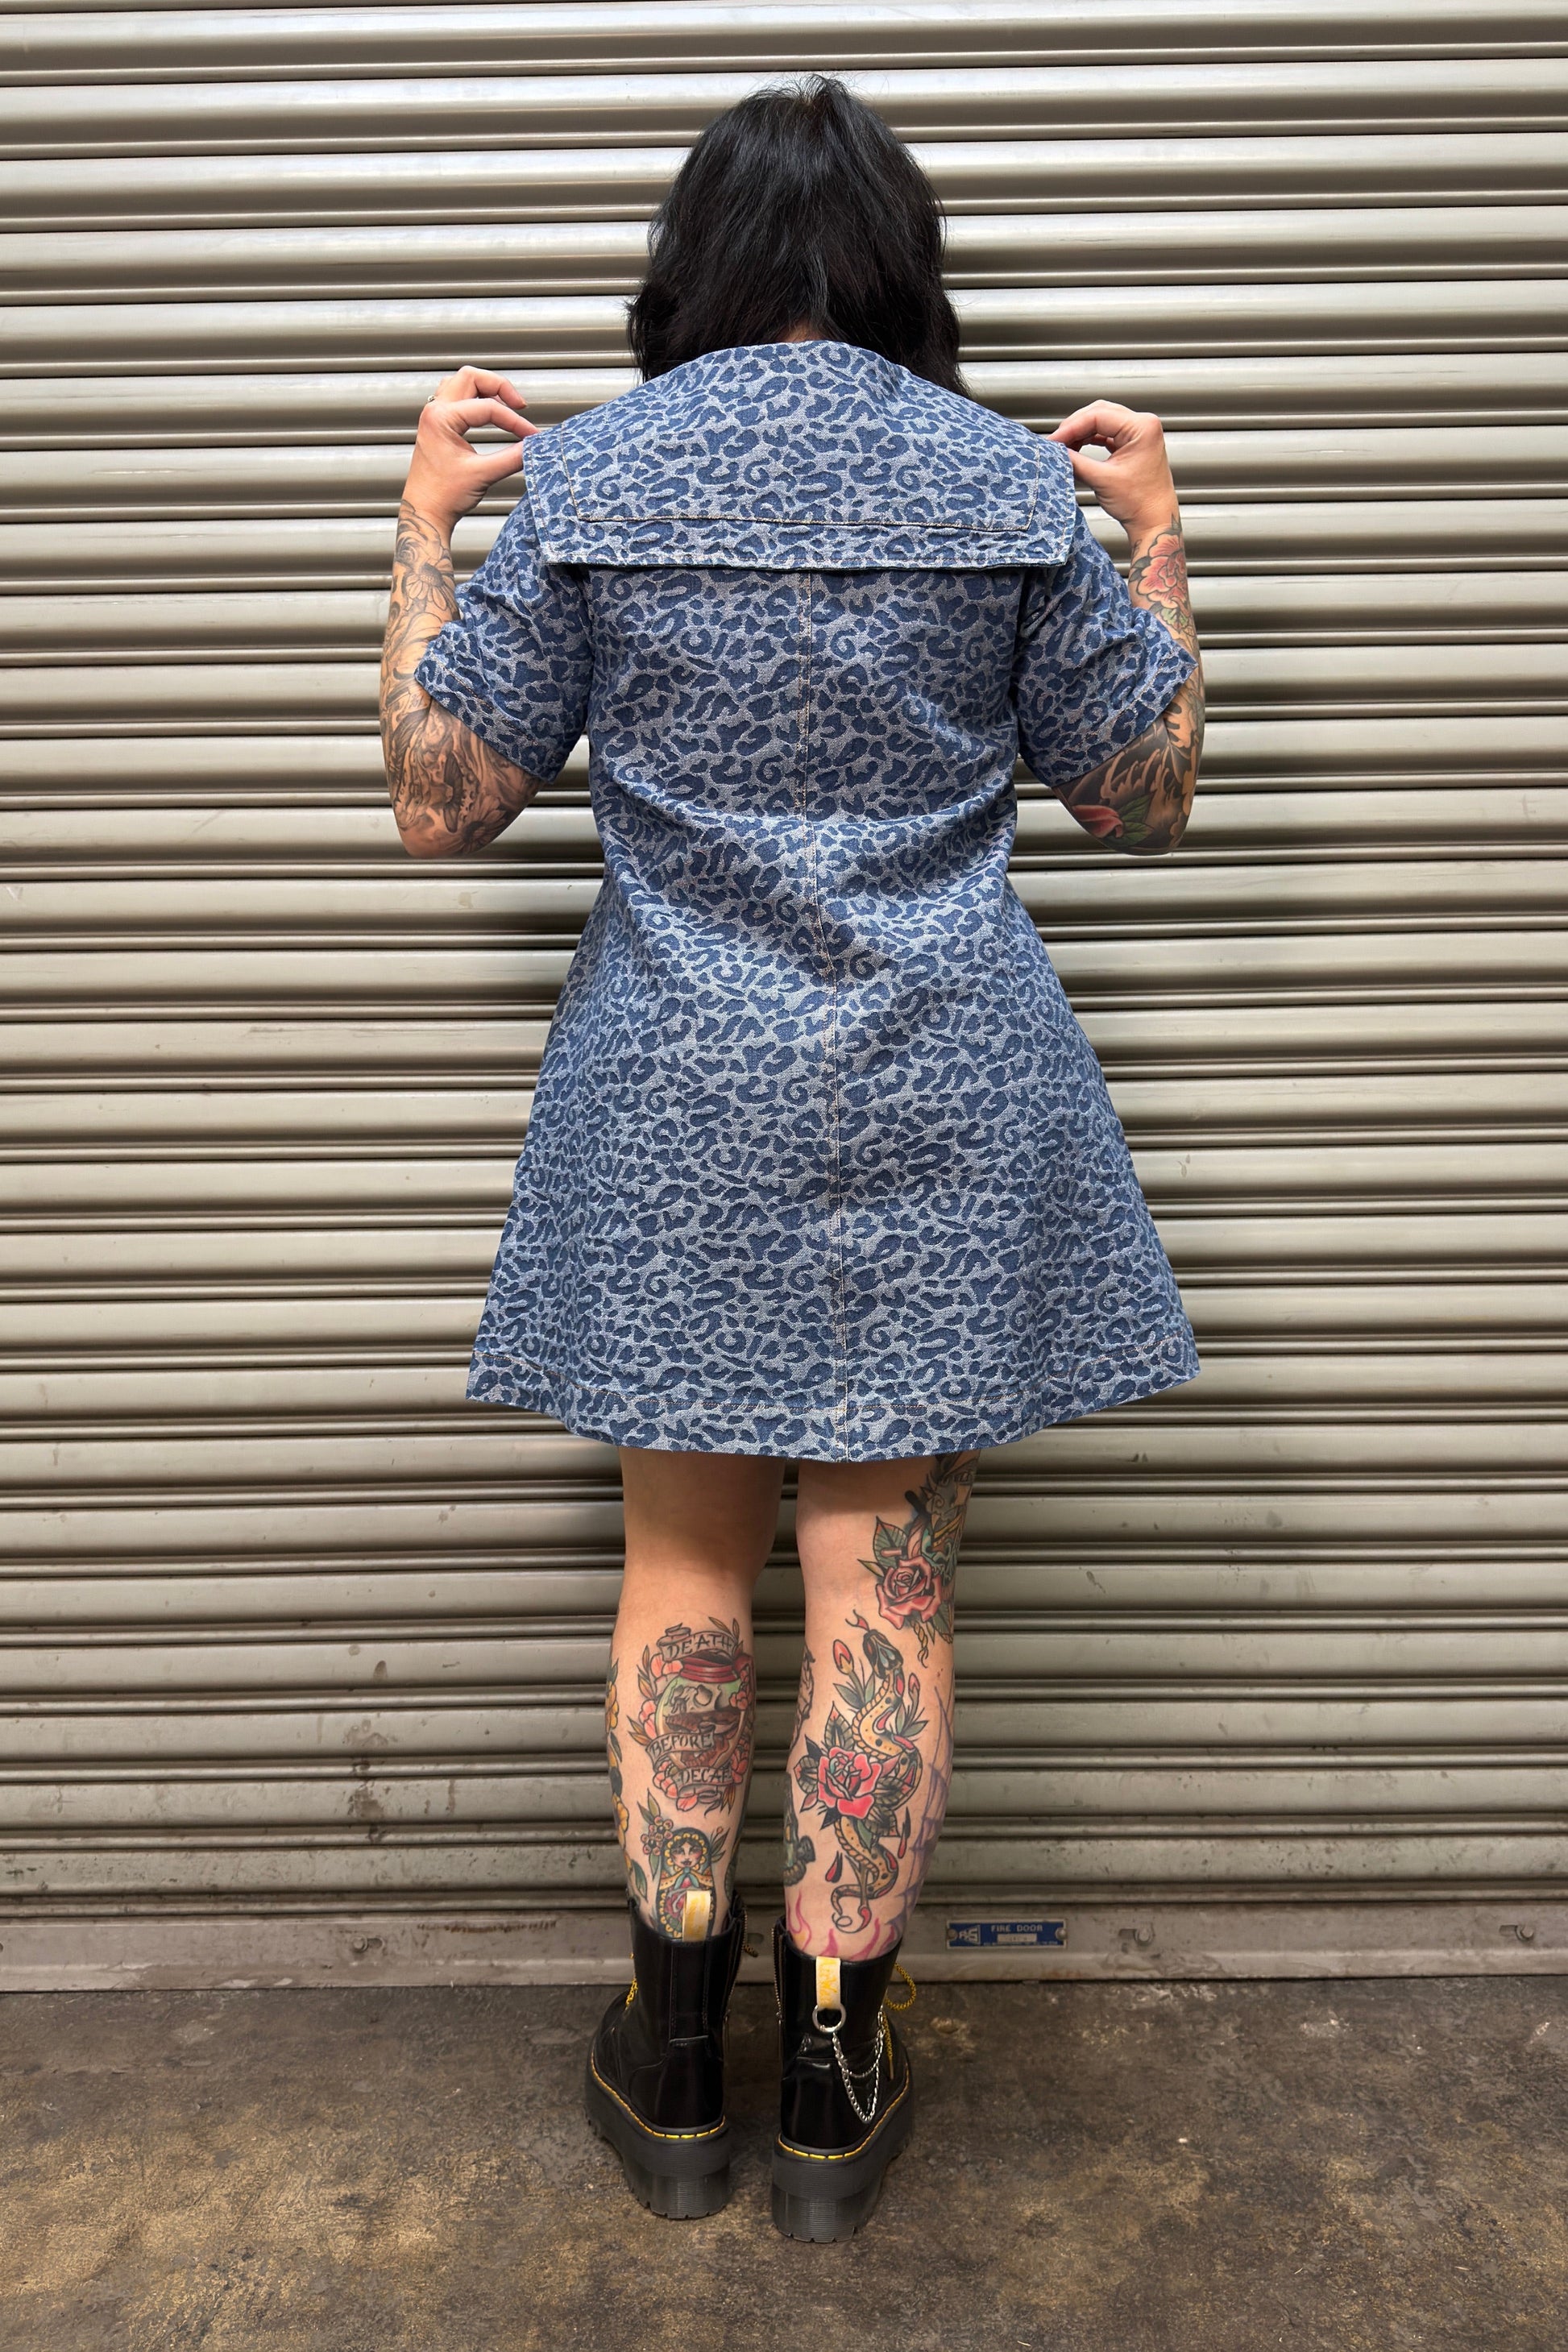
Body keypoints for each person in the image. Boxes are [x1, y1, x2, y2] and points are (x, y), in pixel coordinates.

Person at [379, 76, 1203, 2242]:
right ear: (903, 270)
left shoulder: (595, 479)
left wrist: (422, 531)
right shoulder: (996, 485)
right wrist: (1157, 537)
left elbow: (446, 799)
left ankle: (669, 2066)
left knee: (681, 1572)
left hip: (676, 1093)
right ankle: (833, 2084)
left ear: (695, 270)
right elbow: (1136, 800)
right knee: (884, 1579)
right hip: (945, 1084)